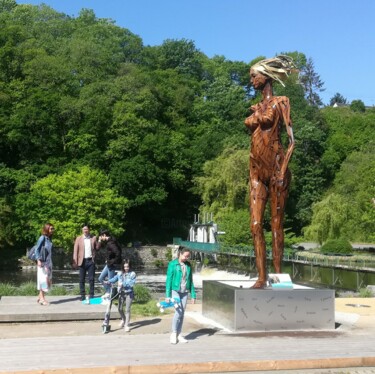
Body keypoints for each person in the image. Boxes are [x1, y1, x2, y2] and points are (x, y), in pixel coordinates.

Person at [244, 55, 296, 289]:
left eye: (254, 76)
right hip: (256, 169)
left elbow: (292, 140)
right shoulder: (256, 107)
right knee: (255, 224)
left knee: (276, 223)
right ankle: (261, 277)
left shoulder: (281, 102)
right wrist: (255, 116)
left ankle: (276, 276)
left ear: (265, 76)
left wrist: (284, 169)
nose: (252, 81)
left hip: (276, 168)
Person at [165, 247, 196, 344]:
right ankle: (173, 333)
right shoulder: (172, 264)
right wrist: (167, 295)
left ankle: (179, 334)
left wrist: (193, 295)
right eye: (185, 256)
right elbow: (169, 280)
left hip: (185, 292)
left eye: (188, 256)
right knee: (178, 311)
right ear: (180, 254)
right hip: (175, 291)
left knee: (182, 313)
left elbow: (190, 281)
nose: (186, 258)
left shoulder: (188, 265)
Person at [106, 259, 136, 332]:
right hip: (121, 293)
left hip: (129, 293)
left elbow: (132, 284)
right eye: (125, 267)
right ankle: (124, 319)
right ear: (122, 266)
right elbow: (114, 279)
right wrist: (108, 281)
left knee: (127, 309)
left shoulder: (133, 274)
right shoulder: (119, 273)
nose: (126, 268)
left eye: (127, 267)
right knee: (119, 308)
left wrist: (123, 284)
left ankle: (126, 325)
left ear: (130, 266)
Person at [72, 224, 99, 301]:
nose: (85, 231)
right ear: (82, 230)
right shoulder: (78, 239)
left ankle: (91, 294)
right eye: (84, 229)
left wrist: (99, 240)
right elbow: (75, 251)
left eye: (86, 229)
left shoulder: (93, 238)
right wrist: (74, 261)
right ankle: (82, 296)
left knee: (91, 279)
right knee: (81, 279)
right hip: (82, 261)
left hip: (91, 261)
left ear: (89, 230)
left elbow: (97, 248)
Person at [97, 229, 122, 300]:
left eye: (101, 237)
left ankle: (110, 297)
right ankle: (108, 292)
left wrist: (112, 261)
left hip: (112, 265)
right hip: (109, 264)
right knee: (100, 278)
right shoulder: (109, 241)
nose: (100, 238)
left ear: (104, 235)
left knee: (110, 281)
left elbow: (118, 253)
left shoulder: (111, 243)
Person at [35, 223, 55, 306]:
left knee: (49, 280)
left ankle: (40, 296)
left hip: (48, 262)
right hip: (42, 262)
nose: (53, 230)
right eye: (51, 228)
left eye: (53, 228)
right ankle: (42, 299)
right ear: (47, 229)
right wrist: (38, 260)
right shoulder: (42, 238)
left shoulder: (49, 239)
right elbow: (37, 249)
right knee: (43, 280)